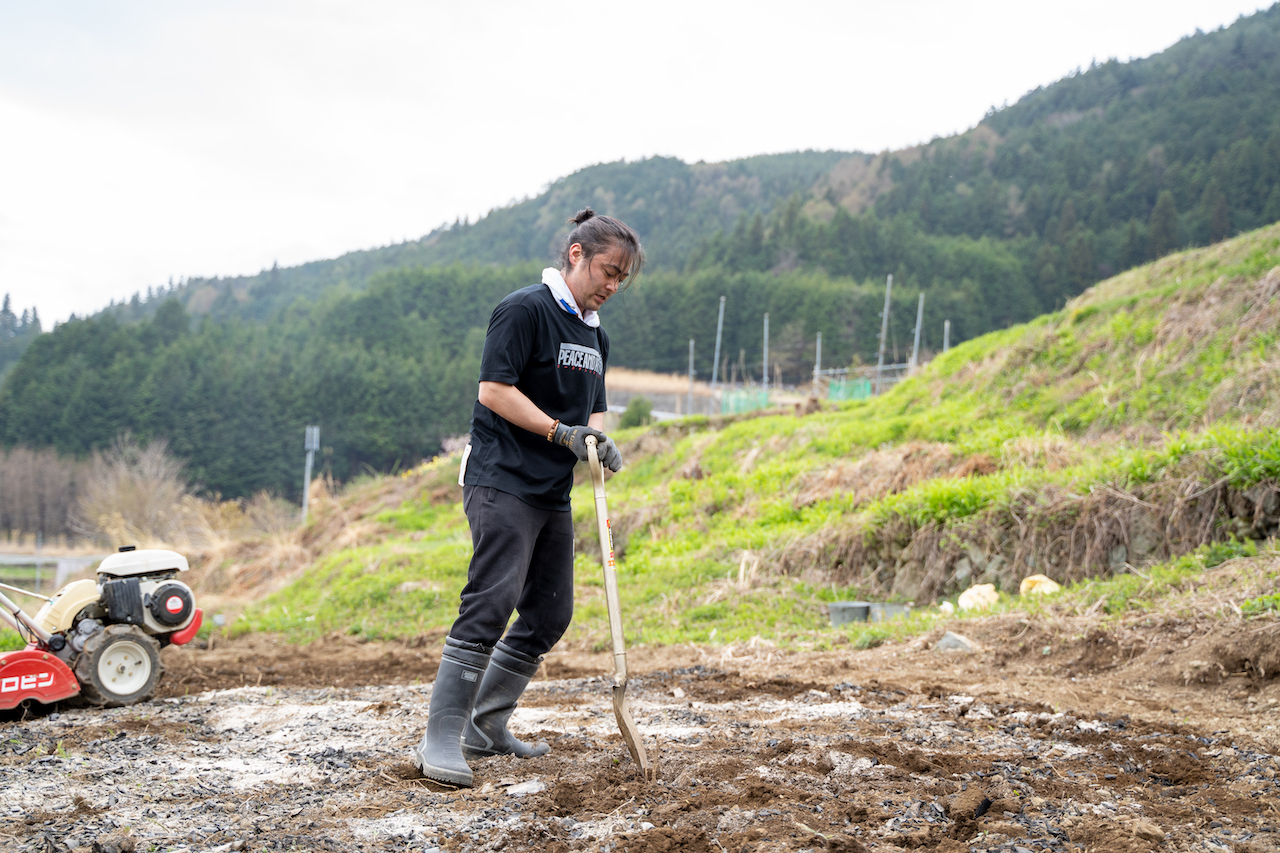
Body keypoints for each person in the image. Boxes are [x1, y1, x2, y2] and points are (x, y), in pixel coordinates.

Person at [413, 208, 642, 787]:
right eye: (608, 272)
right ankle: (440, 736)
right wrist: (557, 433)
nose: (612, 286)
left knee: (548, 611)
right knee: (492, 600)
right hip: (501, 477)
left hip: (550, 490)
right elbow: (494, 390)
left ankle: (486, 726)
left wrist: (594, 440)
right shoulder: (525, 310)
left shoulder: (595, 335)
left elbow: (593, 410)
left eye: (622, 279)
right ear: (576, 254)